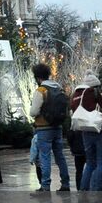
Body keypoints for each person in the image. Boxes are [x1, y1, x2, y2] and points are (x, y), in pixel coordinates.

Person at [29, 62, 71, 193]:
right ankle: (65, 183)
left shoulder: (41, 90)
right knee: (60, 156)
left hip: (43, 128)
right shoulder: (58, 89)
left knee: (44, 157)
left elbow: (33, 112)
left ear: (37, 77)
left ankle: (45, 186)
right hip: (57, 127)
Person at [70, 74, 102, 193]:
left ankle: (83, 189)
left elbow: (73, 109)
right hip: (99, 130)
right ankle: (98, 190)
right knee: (101, 161)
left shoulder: (76, 94)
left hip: (85, 131)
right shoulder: (93, 93)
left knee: (90, 162)